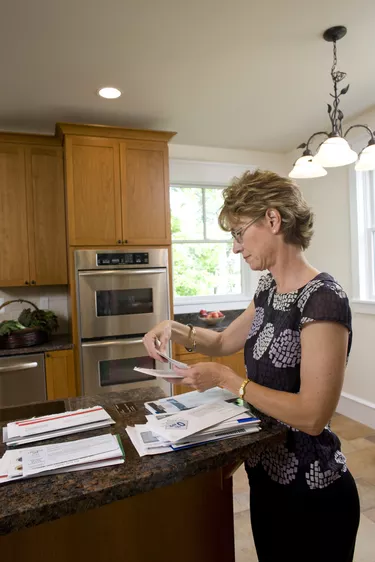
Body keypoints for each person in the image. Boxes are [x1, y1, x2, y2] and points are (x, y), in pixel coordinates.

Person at [143, 169, 360, 562]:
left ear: (273, 220)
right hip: (265, 482)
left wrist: (230, 381)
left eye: (240, 233)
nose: (235, 248)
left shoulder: (324, 299)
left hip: (314, 495)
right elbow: (224, 340)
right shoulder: (268, 289)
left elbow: (313, 416)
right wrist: (172, 328)